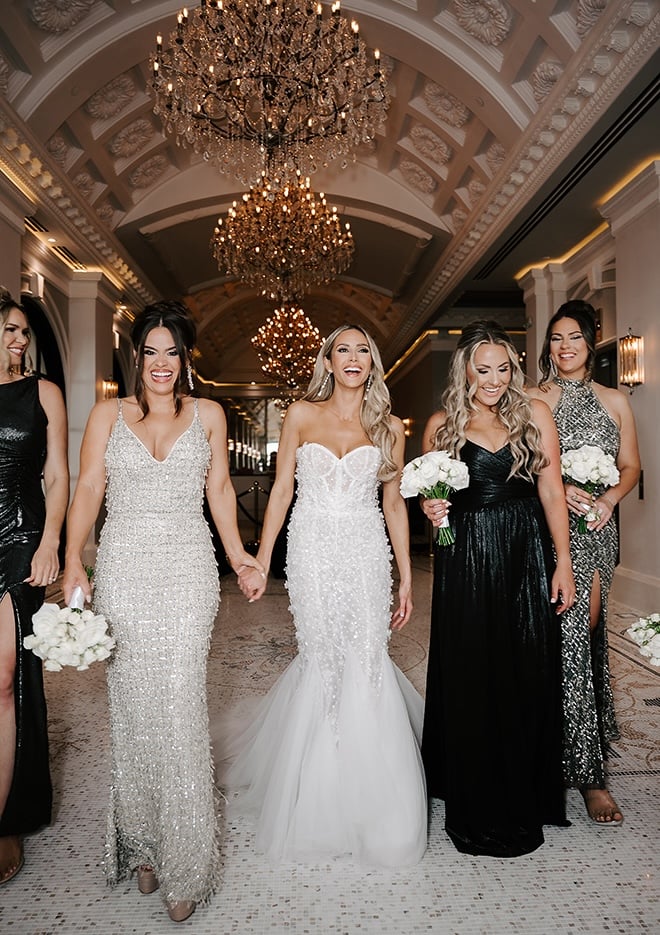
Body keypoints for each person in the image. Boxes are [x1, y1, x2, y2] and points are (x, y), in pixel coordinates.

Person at [62, 301, 262, 923]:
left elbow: (220, 490)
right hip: (122, 567)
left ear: (185, 358)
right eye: (150, 351)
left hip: (187, 571)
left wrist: (241, 556)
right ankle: (143, 842)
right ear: (135, 357)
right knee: (133, 706)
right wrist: (74, 561)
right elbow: (88, 486)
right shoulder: (105, 414)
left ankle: (185, 860)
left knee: (178, 705)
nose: (160, 363)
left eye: (171, 351)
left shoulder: (209, 415)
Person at [227, 324, 427, 866]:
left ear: (373, 363)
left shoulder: (388, 427)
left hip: (365, 550)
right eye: (344, 349)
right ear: (329, 360)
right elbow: (283, 491)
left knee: (365, 658)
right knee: (322, 657)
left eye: (364, 350)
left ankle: (373, 804)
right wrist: (262, 559)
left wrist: (406, 576)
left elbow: (392, 507)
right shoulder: (300, 414)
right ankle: (318, 798)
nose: (354, 358)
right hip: (312, 548)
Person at [420, 320, 575, 858]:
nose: (492, 378)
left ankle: (524, 786)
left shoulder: (535, 414)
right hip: (465, 554)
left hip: (525, 548)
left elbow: (552, 491)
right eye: (481, 369)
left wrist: (564, 563)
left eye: (502, 368)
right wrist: (430, 508)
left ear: (513, 369)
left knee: (525, 660)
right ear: (464, 370)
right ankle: (474, 786)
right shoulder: (443, 423)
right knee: (471, 665)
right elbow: (432, 498)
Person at [529, 300, 641, 825]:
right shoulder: (531, 398)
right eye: (556, 338)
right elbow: (517, 464)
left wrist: (610, 498)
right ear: (548, 346)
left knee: (582, 634)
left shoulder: (615, 400)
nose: (565, 346)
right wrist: (561, 486)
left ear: (590, 343)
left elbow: (631, 465)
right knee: (544, 639)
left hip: (595, 530)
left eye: (574, 337)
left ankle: (591, 775)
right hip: (542, 528)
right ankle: (544, 750)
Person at [0, 288, 69, 884]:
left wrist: (49, 543)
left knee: (4, 679)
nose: (19, 341)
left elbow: (57, 473)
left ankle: (8, 819)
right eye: (9, 331)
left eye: (24, 332)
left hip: (21, 535)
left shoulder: (43, 392)